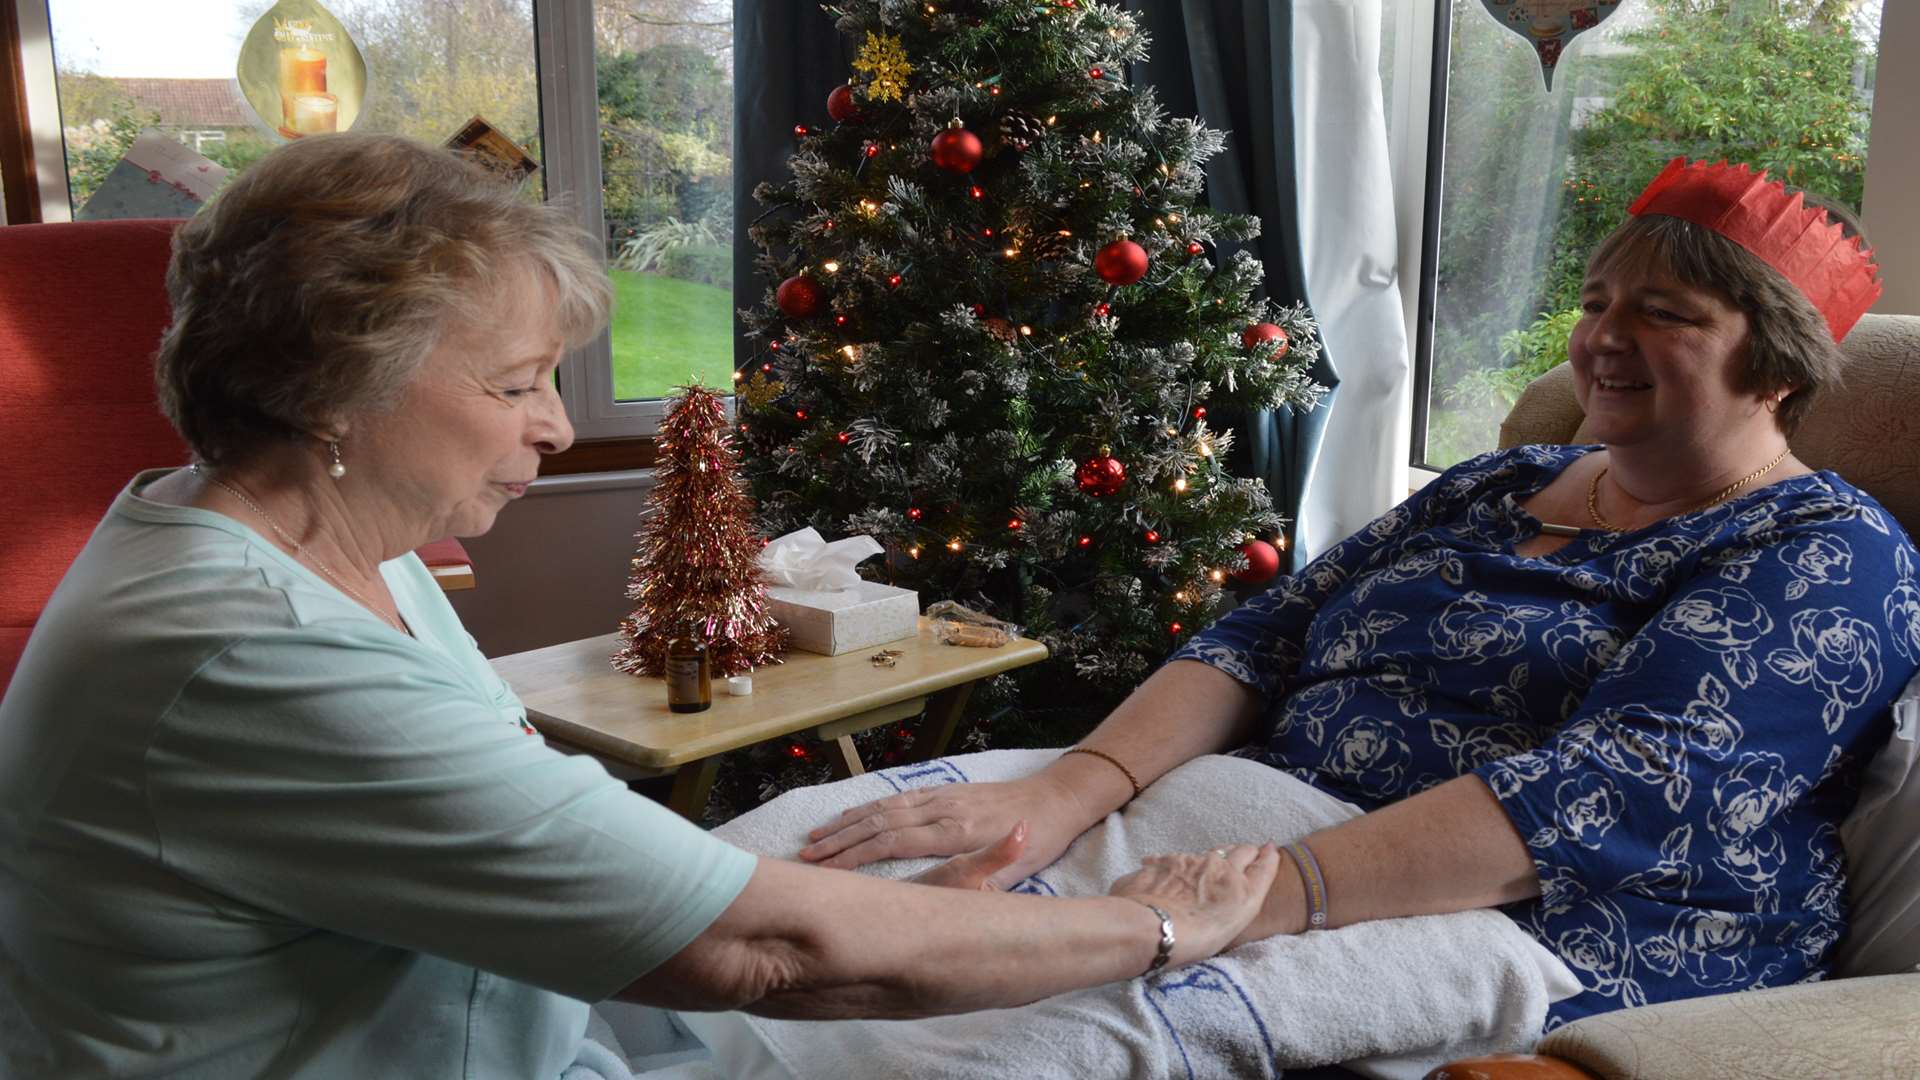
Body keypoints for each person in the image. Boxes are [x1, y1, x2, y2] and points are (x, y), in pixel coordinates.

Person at [0, 133, 1282, 1077]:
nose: (557, 425)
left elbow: (511, 815)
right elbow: (770, 956)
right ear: (334, 388)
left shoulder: (336, 546)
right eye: (516, 385)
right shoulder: (253, 654)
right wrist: (1159, 924)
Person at [804, 158, 1917, 1026]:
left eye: (1666, 313)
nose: (1604, 339)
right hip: (1252, 824)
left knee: (946, 1001)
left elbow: (1617, 789)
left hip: (1533, 921)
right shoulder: (1500, 482)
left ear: (1774, 365)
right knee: (814, 867)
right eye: (1595, 300)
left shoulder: (1830, 550)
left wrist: (1231, 901)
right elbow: (1267, 630)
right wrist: (1064, 793)